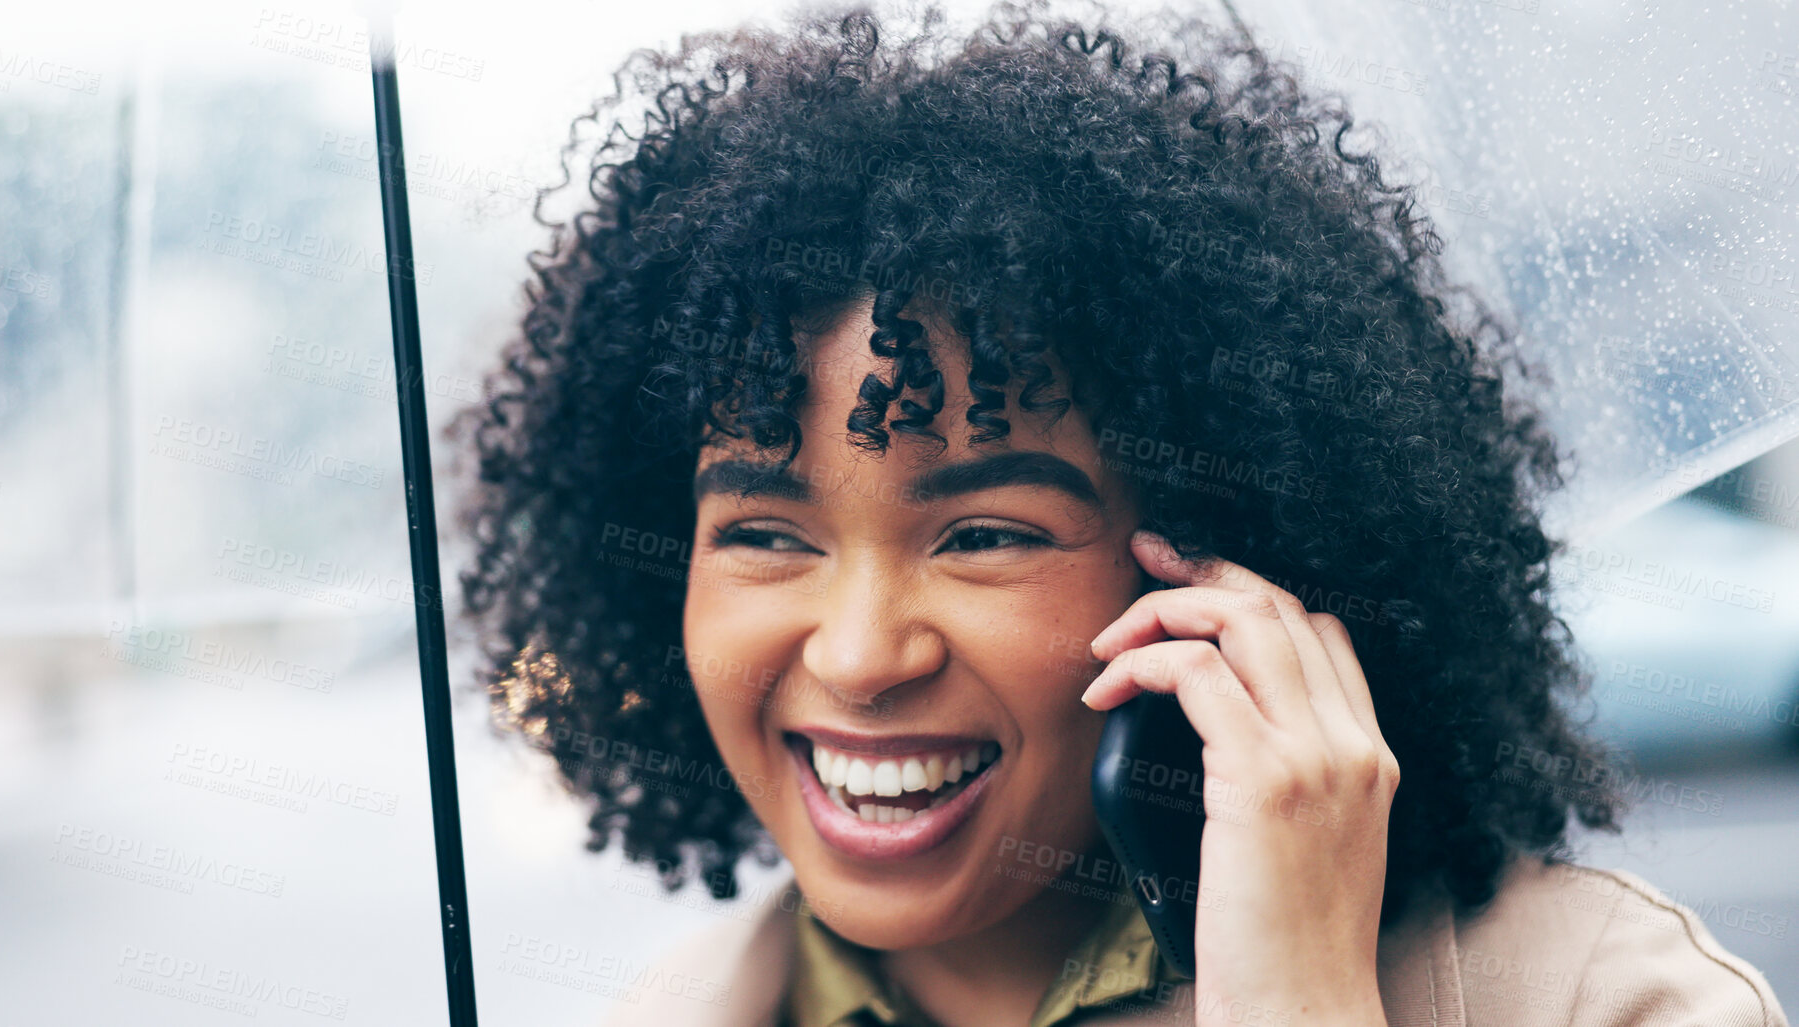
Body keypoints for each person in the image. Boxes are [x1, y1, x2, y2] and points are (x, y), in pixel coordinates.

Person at [452, 1, 1790, 1023]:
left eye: (983, 534)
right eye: (762, 533)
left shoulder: (1595, 999)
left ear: (1229, 574)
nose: (860, 655)